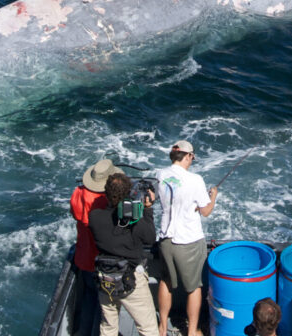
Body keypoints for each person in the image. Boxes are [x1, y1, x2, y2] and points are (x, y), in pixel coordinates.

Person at [154, 140, 218, 336]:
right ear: (188, 156)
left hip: (165, 239)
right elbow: (206, 211)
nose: (192, 161)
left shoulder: (160, 175)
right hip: (188, 242)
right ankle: (192, 331)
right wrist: (213, 196)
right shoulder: (196, 180)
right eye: (192, 157)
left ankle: (162, 328)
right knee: (194, 288)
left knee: (165, 282)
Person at [89, 172, 159, 336]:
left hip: (105, 278)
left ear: (105, 193)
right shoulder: (136, 222)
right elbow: (150, 238)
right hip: (130, 280)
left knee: (108, 327)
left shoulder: (94, 217)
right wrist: (147, 209)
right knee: (148, 328)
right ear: (129, 193)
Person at [68, 158, 118, 336]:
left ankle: (83, 332)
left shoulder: (78, 193)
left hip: (84, 256)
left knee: (90, 296)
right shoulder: (106, 200)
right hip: (103, 260)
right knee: (105, 304)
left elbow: (76, 213)